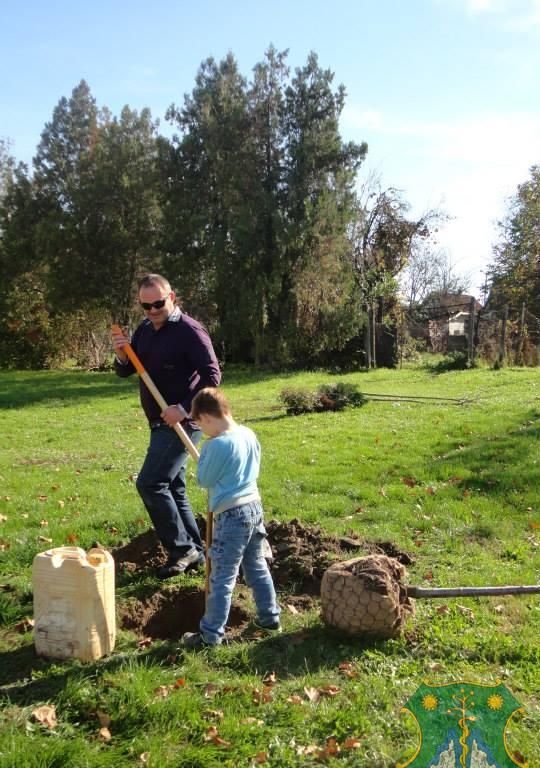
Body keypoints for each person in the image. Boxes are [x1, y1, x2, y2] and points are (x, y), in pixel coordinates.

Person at [112, 274, 221, 579]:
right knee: (173, 486)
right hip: (158, 420)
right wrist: (123, 355)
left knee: (150, 482)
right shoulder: (145, 330)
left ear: (172, 297)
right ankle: (195, 551)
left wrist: (184, 408)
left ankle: (181, 548)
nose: (153, 310)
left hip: (183, 421)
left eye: (159, 303)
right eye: (146, 306)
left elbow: (213, 376)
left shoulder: (190, 331)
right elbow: (129, 370)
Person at [182, 387, 281, 649]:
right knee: (256, 566)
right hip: (254, 508)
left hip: (231, 515)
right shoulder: (248, 434)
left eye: (200, 424)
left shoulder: (217, 444)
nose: (201, 430)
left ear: (206, 417)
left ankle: (210, 635)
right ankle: (270, 618)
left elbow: (204, 479)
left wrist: (205, 457)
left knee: (222, 576)